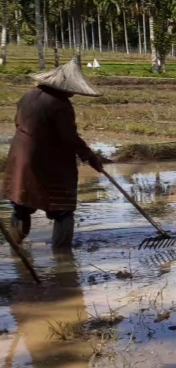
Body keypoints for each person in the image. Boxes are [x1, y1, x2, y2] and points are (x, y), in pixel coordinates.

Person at [3, 60, 105, 249]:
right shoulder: (60, 105)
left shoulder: (28, 95)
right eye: (72, 90)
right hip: (48, 162)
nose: (73, 93)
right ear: (64, 87)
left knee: (21, 203)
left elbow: (18, 122)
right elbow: (69, 137)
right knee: (63, 209)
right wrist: (90, 156)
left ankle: (15, 249)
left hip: (19, 158)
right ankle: (63, 257)